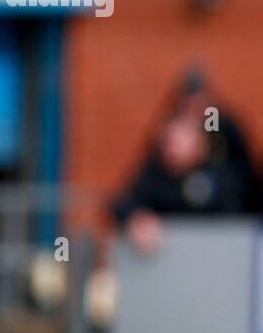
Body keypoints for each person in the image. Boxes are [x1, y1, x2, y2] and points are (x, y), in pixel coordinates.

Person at [111, 68, 261, 254]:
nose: (174, 148)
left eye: (183, 140)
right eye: (171, 141)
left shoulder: (225, 170)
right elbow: (123, 202)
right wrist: (138, 219)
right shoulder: (158, 177)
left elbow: (244, 204)